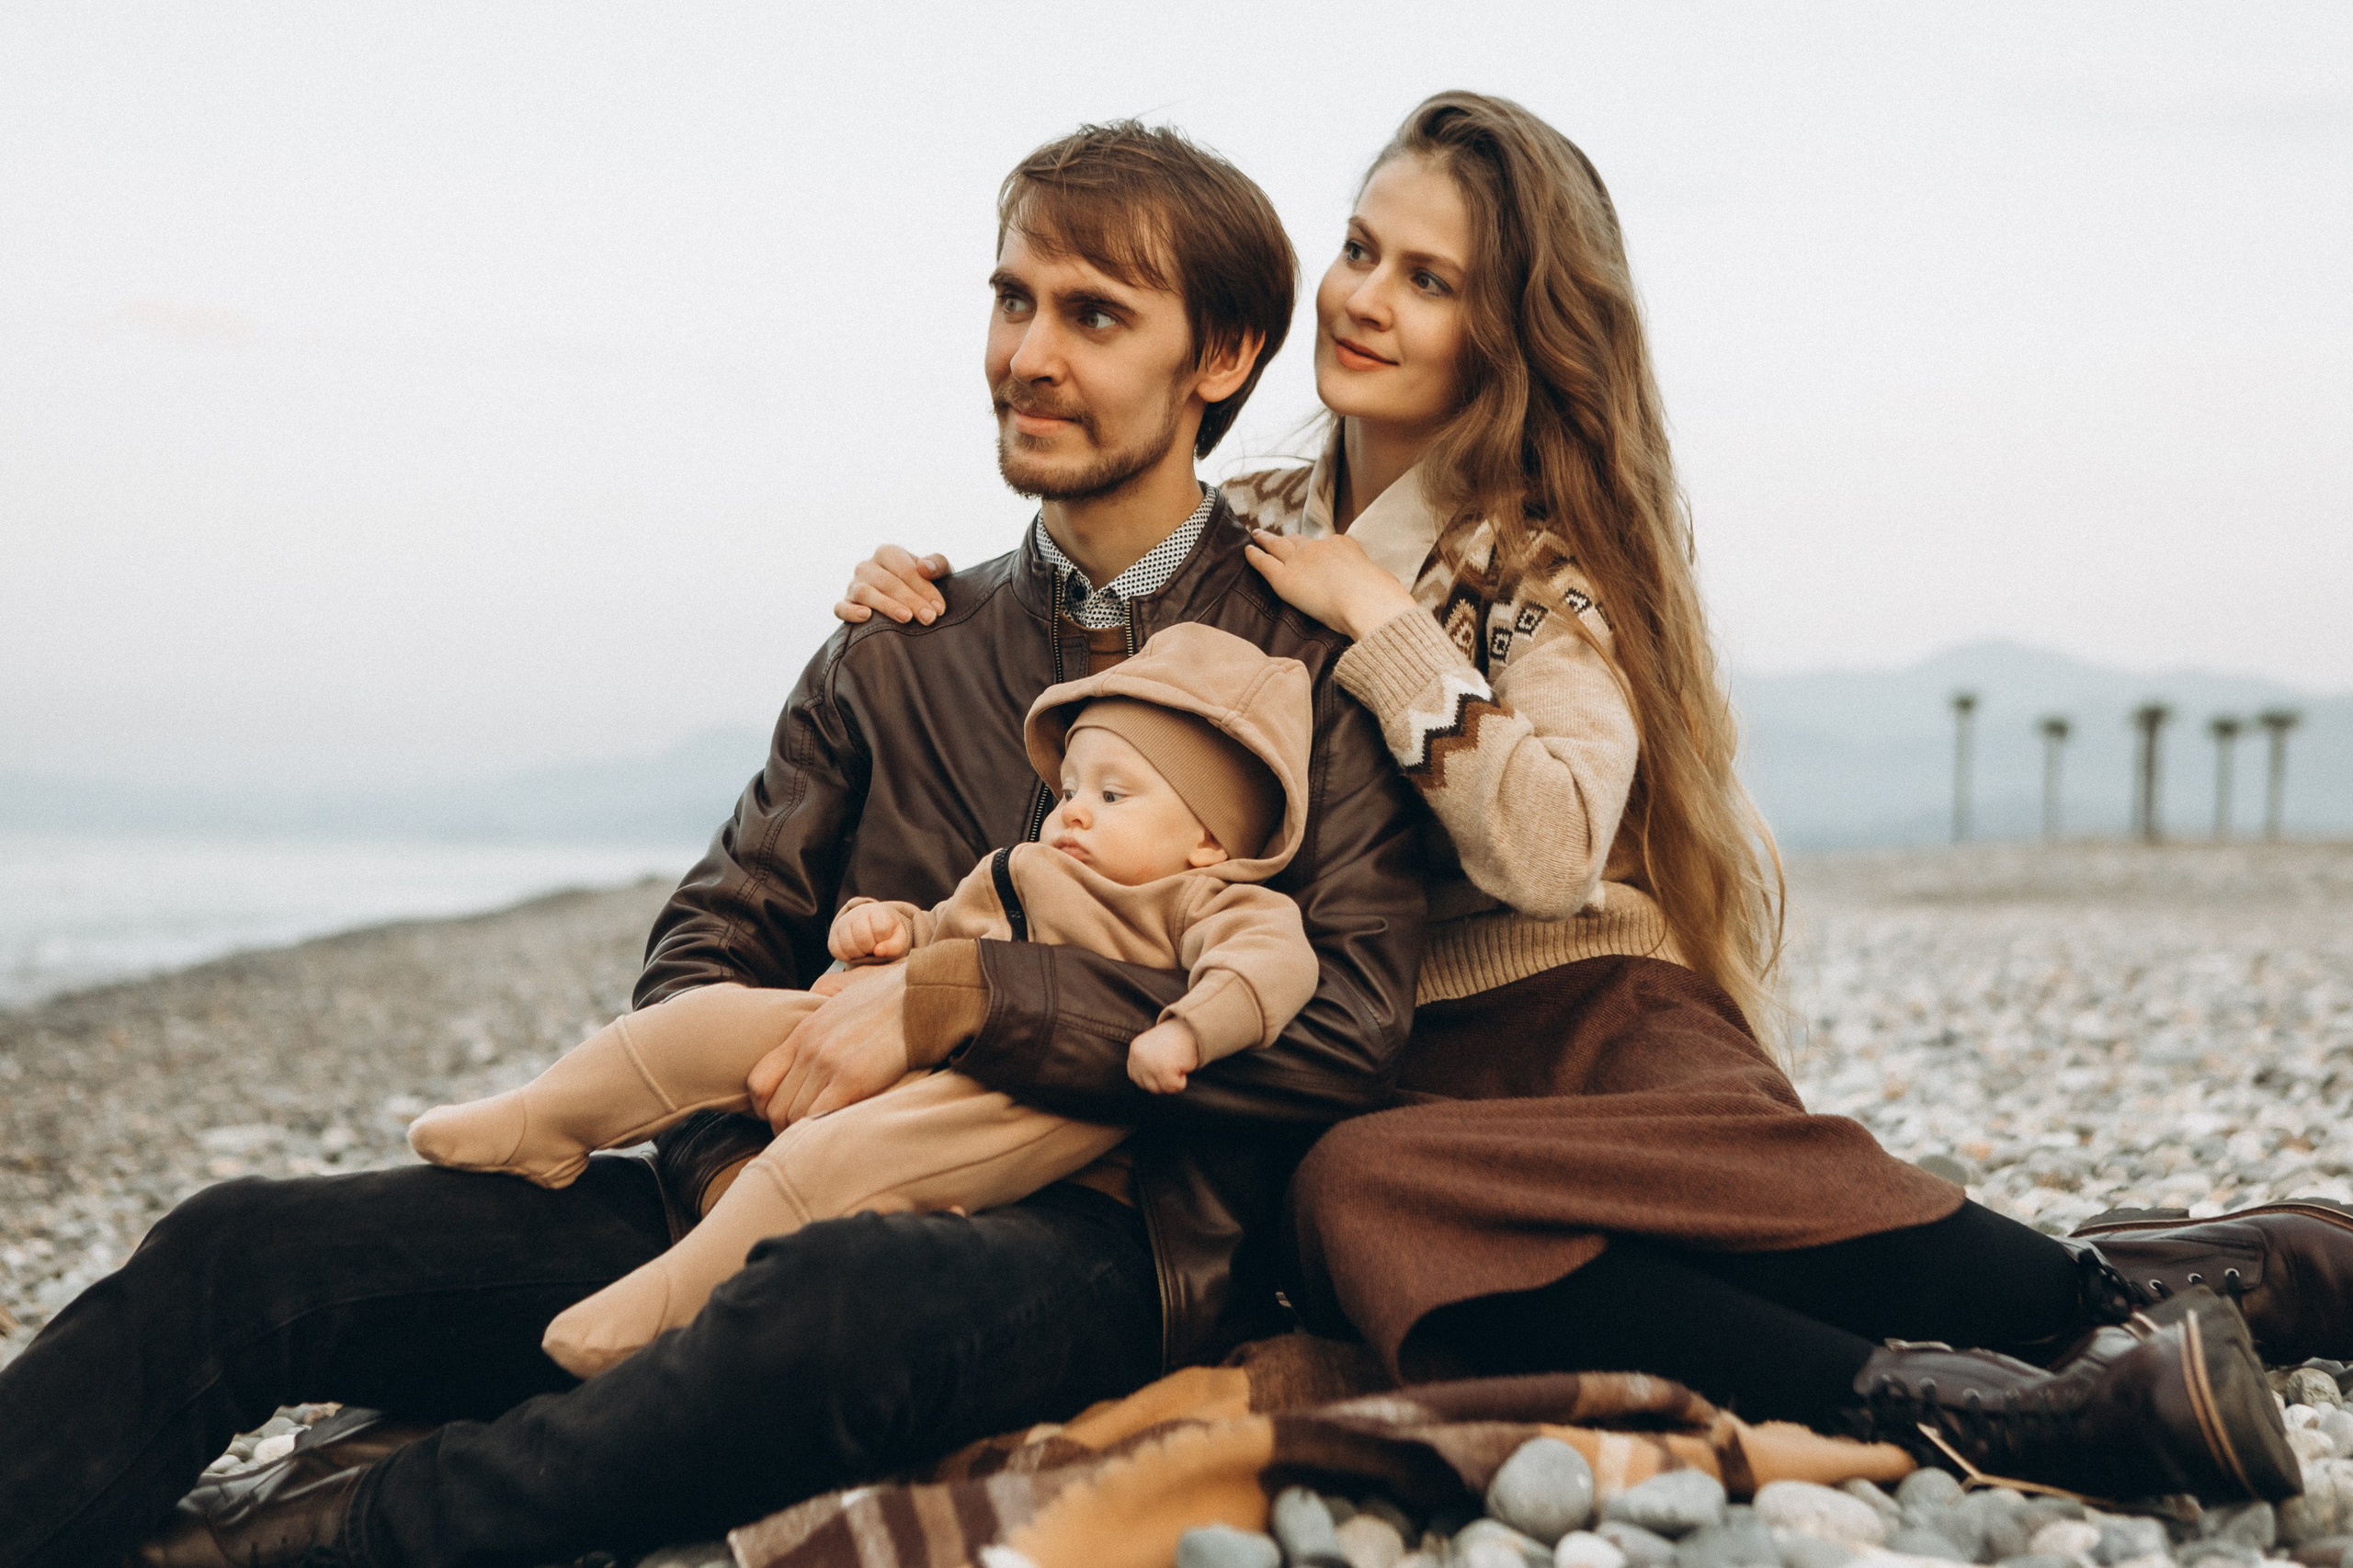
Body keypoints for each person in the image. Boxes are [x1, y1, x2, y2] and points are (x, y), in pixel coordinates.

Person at [835, 91, 2353, 1502]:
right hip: (1387, 1060)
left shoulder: (1533, 563)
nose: (1365, 298)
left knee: (1368, 1191)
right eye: (1363, 250)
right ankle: (2087, 1334)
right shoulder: (1244, 528)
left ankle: (2048, 1353)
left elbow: (1554, 845)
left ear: (1504, 334)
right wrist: (939, 599)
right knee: (1354, 1193)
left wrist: (1386, 625)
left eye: (1429, 280)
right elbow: (1098, 686)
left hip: (1582, 1034)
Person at [0, 122, 1425, 1568]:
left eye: (1094, 315)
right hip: (765, 1192)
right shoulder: (893, 652)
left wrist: (974, 999)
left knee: (830, 1303)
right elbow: (712, 942)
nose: (1028, 354)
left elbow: (1349, 1031)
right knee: (242, 1245)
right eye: (1013, 300)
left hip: (1099, 1243)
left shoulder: (1304, 664)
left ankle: (294, 1546)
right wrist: (727, 1166)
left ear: (1224, 355)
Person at [407, 624, 1321, 1379]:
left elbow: (1266, 972)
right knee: (705, 1022)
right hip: (923, 1021)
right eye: (1071, 787)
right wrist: (890, 929)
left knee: (839, 1155)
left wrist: (1191, 1031)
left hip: (1043, 1094)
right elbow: (948, 928)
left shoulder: (1215, 900)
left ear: (1208, 838)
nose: (1074, 811)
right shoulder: (1027, 866)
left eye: (1115, 794)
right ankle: (548, 1119)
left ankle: (663, 1309)